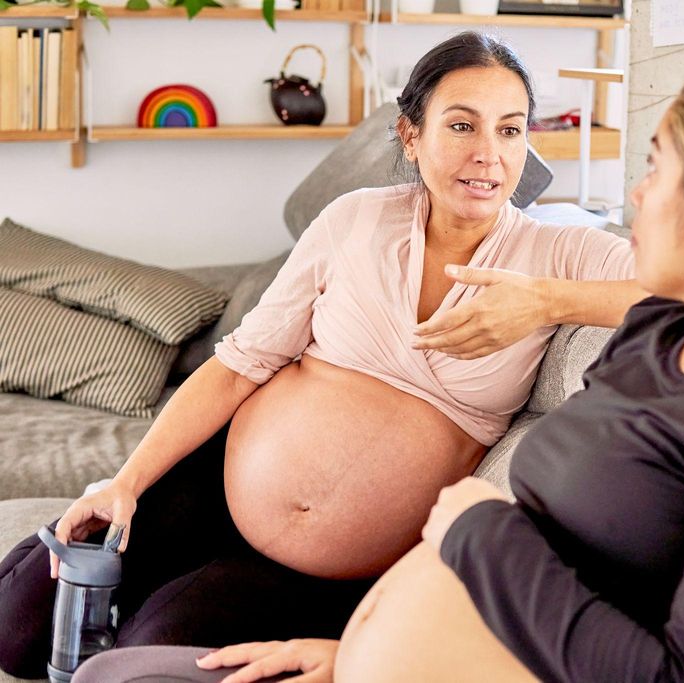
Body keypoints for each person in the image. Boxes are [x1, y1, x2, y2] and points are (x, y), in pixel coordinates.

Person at [78, 58, 684, 682]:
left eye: (654, 170)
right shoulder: (665, 339)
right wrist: (356, 655)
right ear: (412, 139)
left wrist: (473, 526)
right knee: (108, 671)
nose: (635, 197)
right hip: (362, 659)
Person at [0, 31, 644, 680]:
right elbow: (238, 363)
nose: (489, 155)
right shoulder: (356, 219)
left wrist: (542, 302)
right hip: (210, 486)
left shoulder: (559, 252)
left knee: (154, 649)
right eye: (461, 125)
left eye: (510, 131)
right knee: (15, 625)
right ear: (412, 135)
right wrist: (127, 481)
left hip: (333, 568)